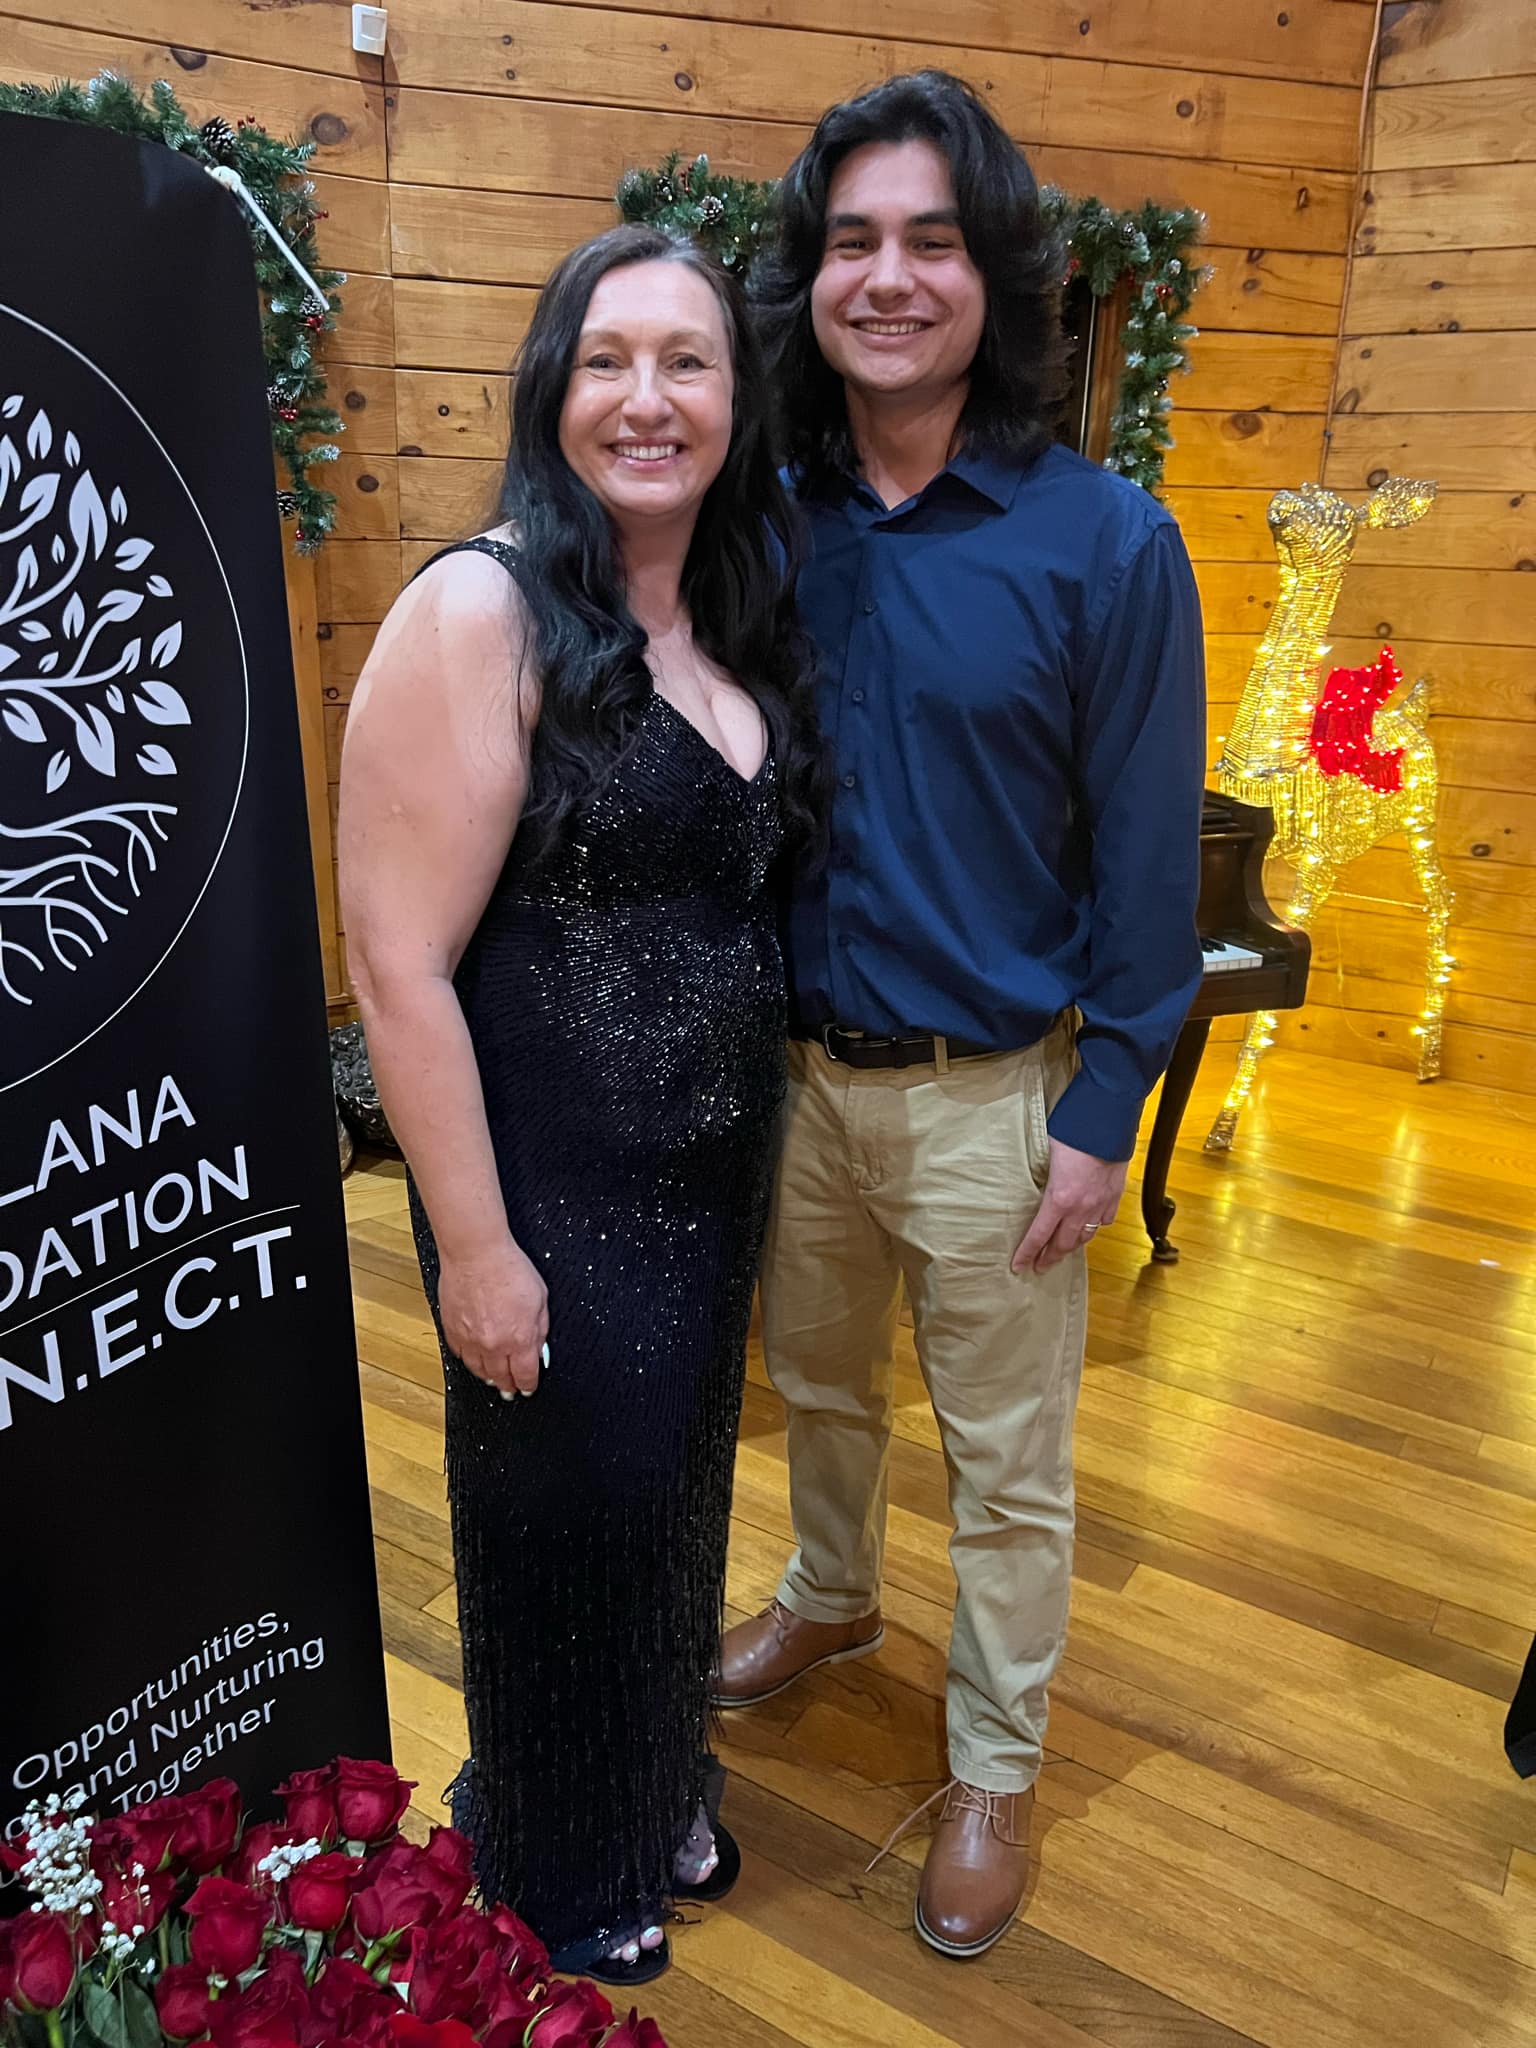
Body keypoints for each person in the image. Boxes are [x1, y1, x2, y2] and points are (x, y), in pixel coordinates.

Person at [714, 71, 1206, 1959]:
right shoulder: (765, 521)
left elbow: (1147, 857)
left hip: (997, 1097)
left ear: (993, 276)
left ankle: (994, 1761)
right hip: (798, 1081)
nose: (890, 277)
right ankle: (832, 1591)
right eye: (853, 241)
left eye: (932, 239)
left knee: (1008, 1467)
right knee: (820, 1386)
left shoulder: (1105, 542)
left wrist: (1107, 1104)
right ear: (813, 278)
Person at [338, 223, 822, 1985]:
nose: (647, 397)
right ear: (552, 390)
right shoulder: (482, 609)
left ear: (736, 397)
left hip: (709, 1180)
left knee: (670, 1506)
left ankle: (653, 1782)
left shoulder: (731, 605)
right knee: (566, 1523)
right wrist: (477, 1248)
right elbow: (397, 963)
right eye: (607, 359)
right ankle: (558, 1854)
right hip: (550, 1182)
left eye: (688, 360)